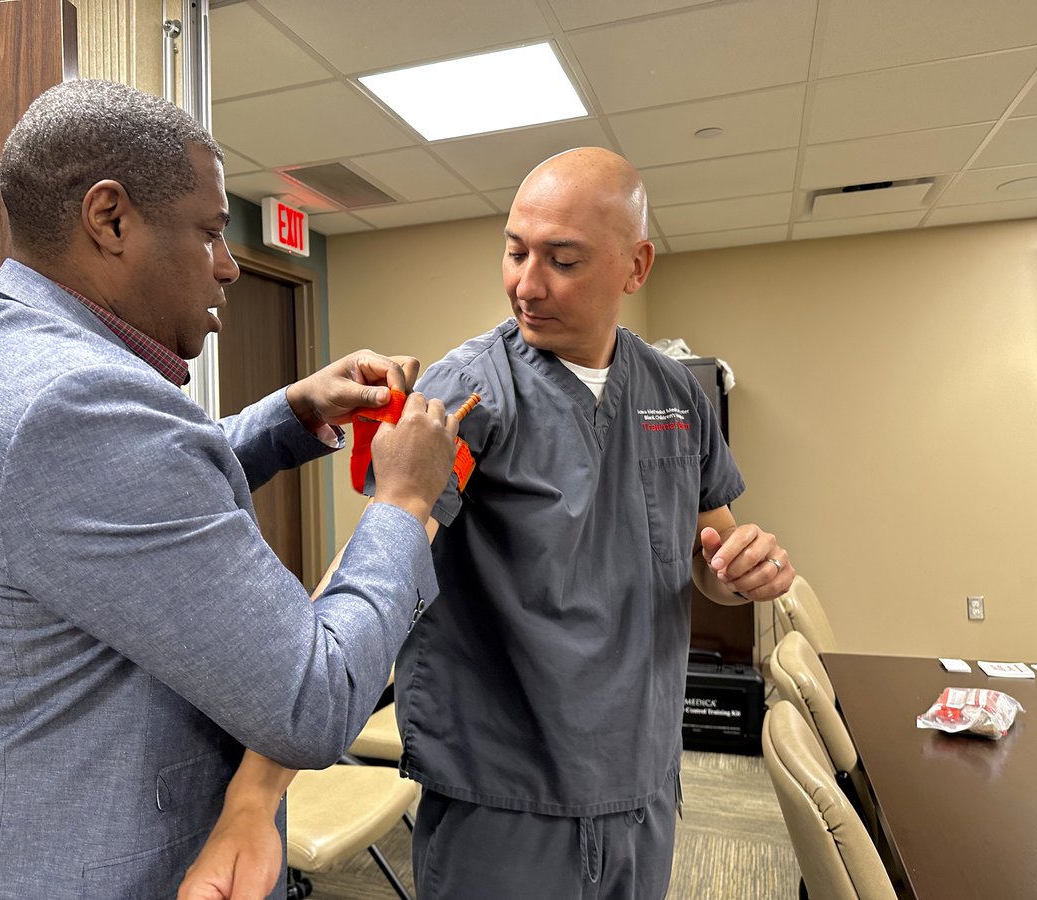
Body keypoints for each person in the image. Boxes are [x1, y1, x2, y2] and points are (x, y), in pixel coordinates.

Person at [0, 79, 459, 900]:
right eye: (212, 233)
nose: (228, 266)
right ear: (111, 218)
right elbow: (311, 698)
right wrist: (404, 500)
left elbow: (119, 509)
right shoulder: (78, 406)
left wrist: (291, 414)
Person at [183, 149, 796, 898]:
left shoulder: (674, 393)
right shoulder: (472, 393)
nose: (527, 285)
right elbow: (374, 568)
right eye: (515, 252)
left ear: (635, 266)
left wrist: (738, 573)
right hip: (505, 794)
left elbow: (711, 554)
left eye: (562, 260)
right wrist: (256, 797)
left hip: (641, 781)